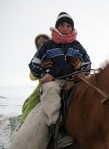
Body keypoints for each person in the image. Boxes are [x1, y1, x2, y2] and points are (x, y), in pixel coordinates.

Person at [9, 12, 91, 149]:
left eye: (68, 26)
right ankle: (56, 128)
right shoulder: (48, 45)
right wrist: (43, 74)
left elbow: (87, 62)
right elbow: (33, 63)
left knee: (90, 90)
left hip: (73, 80)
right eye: (62, 25)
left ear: (72, 28)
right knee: (50, 89)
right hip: (55, 81)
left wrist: (82, 71)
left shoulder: (77, 45)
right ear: (57, 27)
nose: (65, 28)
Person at [19, 34, 50, 123]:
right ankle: (23, 122)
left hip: (61, 79)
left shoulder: (56, 51)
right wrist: (39, 71)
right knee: (32, 101)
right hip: (43, 83)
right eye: (39, 44)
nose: (42, 44)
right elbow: (31, 76)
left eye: (44, 41)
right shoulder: (37, 57)